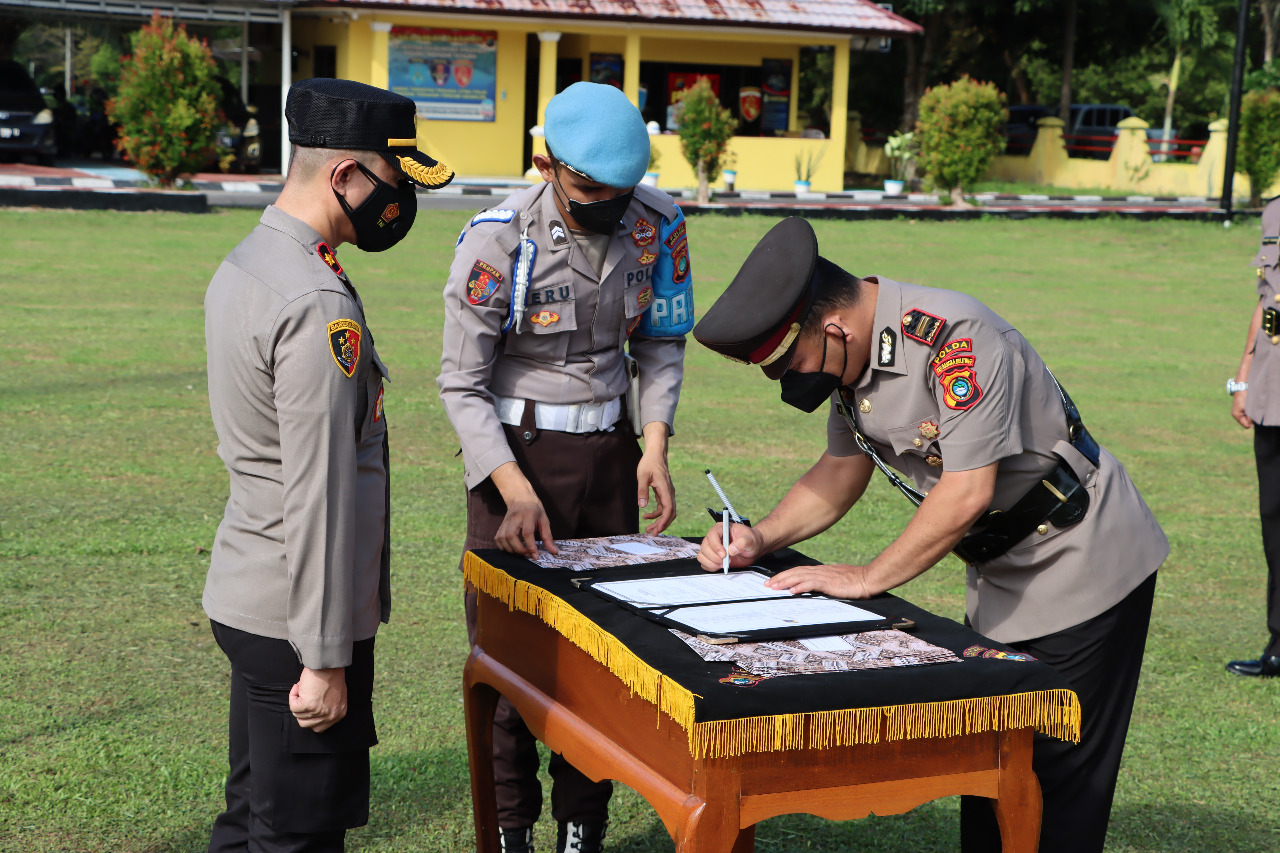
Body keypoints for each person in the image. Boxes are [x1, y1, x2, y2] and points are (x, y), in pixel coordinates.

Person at [691, 217, 1168, 853]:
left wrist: (866, 578)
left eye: (791, 366)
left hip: (1082, 559)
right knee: (994, 768)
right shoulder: (852, 359)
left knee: (1053, 783)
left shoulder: (955, 339)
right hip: (1004, 574)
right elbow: (840, 470)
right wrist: (759, 536)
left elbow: (967, 489)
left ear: (835, 329)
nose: (790, 384)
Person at [437, 81, 693, 853]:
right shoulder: (497, 240)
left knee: (602, 663)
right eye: (589, 188)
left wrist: (654, 442)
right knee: (514, 664)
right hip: (518, 463)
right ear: (545, 163)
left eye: (621, 189)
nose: (609, 204)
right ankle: (511, 831)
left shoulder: (659, 224)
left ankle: (582, 830)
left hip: (612, 457)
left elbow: (660, 342)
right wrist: (509, 486)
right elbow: (461, 382)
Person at [202, 78, 452, 853]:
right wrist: (324, 657)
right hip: (295, 616)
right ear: (346, 176)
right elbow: (318, 491)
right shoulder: (318, 303)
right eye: (394, 179)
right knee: (298, 835)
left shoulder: (253, 261)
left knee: (254, 814)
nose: (401, 199)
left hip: (253, 589)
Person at [1226, 196, 1280, 678]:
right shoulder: (1276, 211)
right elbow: (1268, 300)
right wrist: (1244, 377)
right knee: (1275, 519)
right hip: (1273, 390)